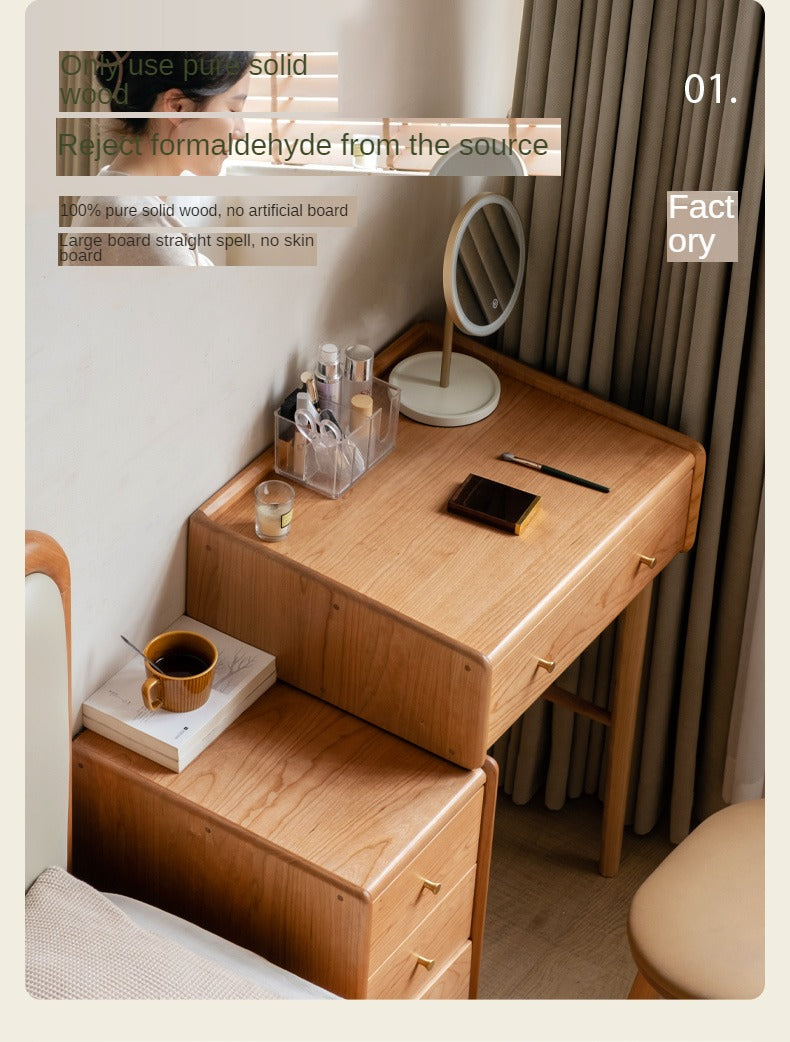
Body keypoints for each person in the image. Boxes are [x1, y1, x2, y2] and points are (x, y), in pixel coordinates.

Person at [64, 51, 254, 265]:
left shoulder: (106, 194)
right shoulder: (146, 232)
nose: (241, 132)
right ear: (178, 107)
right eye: (233, 110)